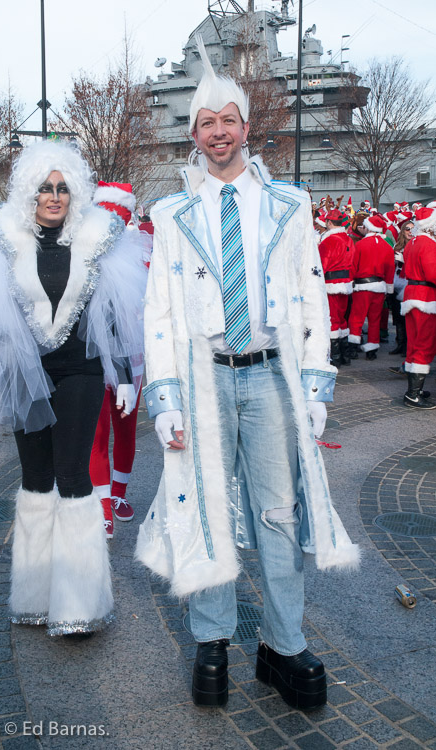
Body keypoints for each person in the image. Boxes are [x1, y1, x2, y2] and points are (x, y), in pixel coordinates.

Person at [136, 37, 360, 711]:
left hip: (268, 378)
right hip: (202, 376)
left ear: (245, 126)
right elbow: (161, 314)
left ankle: (284, 645)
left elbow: (314, 295)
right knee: (203, 512)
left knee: (277, 514)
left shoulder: (290, 205)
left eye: (228, 119)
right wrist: (165, 398)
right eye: (207, 123)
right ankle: (211, 642)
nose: (219, 132)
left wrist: (317, 383)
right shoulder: (171, 215)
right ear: (195, 133)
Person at [0, 140, 146, 637]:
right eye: (44, 188)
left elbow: (114, 314)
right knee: (34, 477)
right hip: (21, 373)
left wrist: (122, 374)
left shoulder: (101, 240)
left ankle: (79, 602)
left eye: (63, 188)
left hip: (81, 371)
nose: (54, 197)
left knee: (73, 474)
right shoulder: (2, 239)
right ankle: (32, 593)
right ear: (28, 193)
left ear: (76, 194)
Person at [89, 181, 145, 537]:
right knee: (103, 431)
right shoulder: (81, 252)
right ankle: (106, 504)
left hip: (128, 355)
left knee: (117, 429)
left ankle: (114, 500)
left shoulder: (139, 251)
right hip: (93, 357)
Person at [400, 207, 436, 409]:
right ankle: (413, 394)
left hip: (411, 295)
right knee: (424, 343)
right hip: (426, 298)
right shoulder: (429, 244)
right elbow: (433, 273)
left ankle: (416, 390)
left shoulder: (412, 243)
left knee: (414, 342)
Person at [348, 214, 395, 360]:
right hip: (379, 287)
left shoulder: (360, 245)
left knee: (357, 318)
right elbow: (390, 269)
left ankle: (353, 348)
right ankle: (372, 350)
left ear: (368, 227)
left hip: (362, 287)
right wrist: (388, 288)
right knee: (375, 319)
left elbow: (353, 266)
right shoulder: (387, 247)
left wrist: (350, 282)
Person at [318, 209, 355, 367]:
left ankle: (335, 357)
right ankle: (345, 355)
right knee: (342, 319)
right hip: (345, 283)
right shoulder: (348, 239)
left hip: (330, 284)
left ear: (329, 222)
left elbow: (321, 264)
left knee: (332, 320)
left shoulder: (328, 241)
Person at [388, 220, 413, 357]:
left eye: (411, 229)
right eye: (407, 229)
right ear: (403, 231)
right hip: (397, 283)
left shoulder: (416, 245)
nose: (409, 232)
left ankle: (407, 346)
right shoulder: (398, 245)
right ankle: (400, 343)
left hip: (408, 284)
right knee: (397, 317)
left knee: (407, 318)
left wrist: (404, 260)